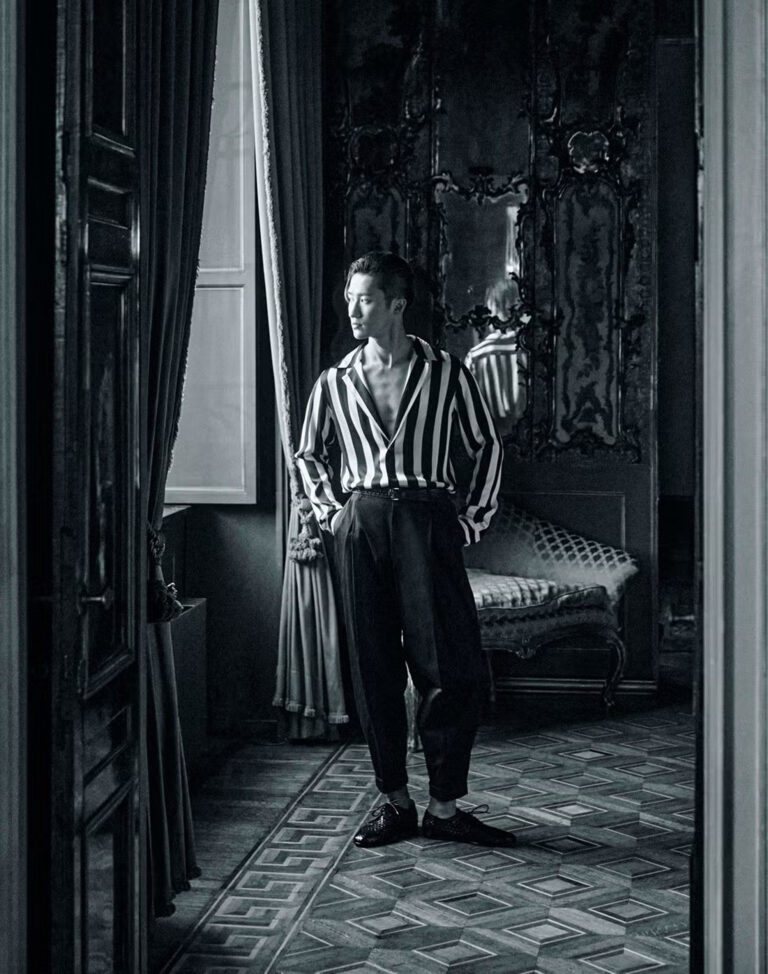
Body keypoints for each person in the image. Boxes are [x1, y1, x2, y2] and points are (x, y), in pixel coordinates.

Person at [295, 251, 516, 848]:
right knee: (373, 668)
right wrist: (333, 514)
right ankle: (394, 800)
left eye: (364, 299)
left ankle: (444, 807)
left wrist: (472, 521)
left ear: (396, 303)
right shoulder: (335, 380)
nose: (352, 310)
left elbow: (487, 445)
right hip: (361, 521)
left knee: (448, 665)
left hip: (428, 518)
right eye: (349, 298)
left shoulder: (447, 372)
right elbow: (308, 453)